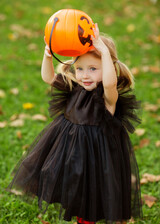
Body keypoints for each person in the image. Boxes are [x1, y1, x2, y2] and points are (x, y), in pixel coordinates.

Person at [8, 24, 142, 224]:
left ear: (108, 69)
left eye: (93, 69)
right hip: (70, 151)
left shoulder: (107, 98)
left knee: (92, 191)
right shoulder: (73, 88)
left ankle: (88, 219)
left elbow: (109, 83)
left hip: (97, 157)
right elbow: (48, 77)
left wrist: (104, 51)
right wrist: (47, 56)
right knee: (74, 189)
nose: (85, 75)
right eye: (79, 68)